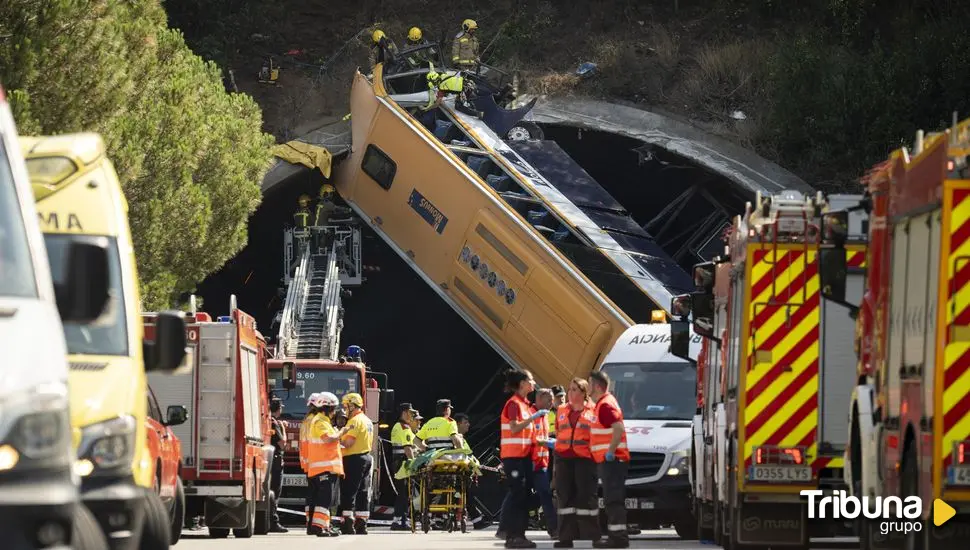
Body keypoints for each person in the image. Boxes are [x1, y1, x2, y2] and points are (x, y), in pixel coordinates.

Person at [500, 369, 545, 549]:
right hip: (514, 457)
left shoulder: (524, 405)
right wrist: (533, 418)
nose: (533, 383)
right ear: (522, 384)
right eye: (531, 380)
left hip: (523, 457)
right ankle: (514, 536)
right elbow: (514, 428)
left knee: (523, 495)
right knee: (519, 496)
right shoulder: (514, 404)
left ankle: (518, 535)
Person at [552, 378, 600, 548]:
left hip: (585, 459)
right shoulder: (561, 410)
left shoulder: (593, 411)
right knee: (564, 498)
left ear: (583, 392)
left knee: (586, 497)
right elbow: (559, 432)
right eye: (569, 389)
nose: (570, 393)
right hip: (564, 458)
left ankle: (593, 535)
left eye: (574, 390)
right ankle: (565, 537)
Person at [588, 371, 630, 549]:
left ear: (597, 386)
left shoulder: (605, 405)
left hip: (612, 460)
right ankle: (617, 535)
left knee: (613, 499)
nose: (587, 387)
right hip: (610, 460)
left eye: (589, 383)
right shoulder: (603, 404)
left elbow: (618, 428)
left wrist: (610, 451)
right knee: (612, 498)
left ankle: (618, 537)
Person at [306, 392, 345, 537]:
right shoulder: (320, 421)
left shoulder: (323, 421)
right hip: (323, 468)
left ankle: (324, 526)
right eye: (333, 409)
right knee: (324, 499)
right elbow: (328, 439)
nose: (334, 412)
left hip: (326, 467)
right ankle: (318, 527)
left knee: (327, 499)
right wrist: (342, 432)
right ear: (327, 408)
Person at [338, 392, 375, 534]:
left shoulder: (354, 421)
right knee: (363, 492)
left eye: (346, 406)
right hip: (366, 457)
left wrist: (338, 436)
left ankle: (347, 524)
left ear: (352, 406)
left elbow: (348, 442)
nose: (345, 409)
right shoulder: (367, 420)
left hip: (353, 459)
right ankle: (362, 523)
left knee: (348, 492)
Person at [453, 412, 491, 530]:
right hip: (456, 472)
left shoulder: (462, 440)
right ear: (458, 424)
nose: (468, 425)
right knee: (464, 491)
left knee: (468, 492)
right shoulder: (455, 439)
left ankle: (476, 519)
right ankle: (475, 519)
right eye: (465, 423)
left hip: (464, 472)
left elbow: (470, 455)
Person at [531, 388, 558, 539]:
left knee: (545, 495)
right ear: (540, 399)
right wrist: (550, 442)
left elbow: (543, 437)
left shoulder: (545, 417)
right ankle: (508, 527)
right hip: (528, 463)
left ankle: (553, 529)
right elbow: (532, 438)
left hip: (541, 464)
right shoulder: (531, 414)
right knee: (518, 495)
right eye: (549, 400)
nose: (551, 403)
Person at [390, 402, 418, 530]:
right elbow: (408, 449)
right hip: (404, 464)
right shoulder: (403, 427)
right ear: (405, 412)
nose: (412, 415)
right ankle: (401, 520)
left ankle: (399, 520)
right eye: (411, 413)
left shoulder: (401, 426)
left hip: (400, 463)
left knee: (404, 493)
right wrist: (414, 464)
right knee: (405, 493)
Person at [299, 393, 320, 534]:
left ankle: (309, 523)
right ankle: (316, 524)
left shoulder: (306, 420)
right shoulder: (315, 421)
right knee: (320, 496)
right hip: (317, 462)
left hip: (308, 463)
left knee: (311, 494)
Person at [268, 397, 289, 533]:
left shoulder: (268, 421)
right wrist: (283, 428)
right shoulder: (275, 423)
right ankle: (273, 522)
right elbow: (283, 443)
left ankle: (268, 520)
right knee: (275, 493)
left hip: (269, 460)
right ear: (278, 409)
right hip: (276, 461)